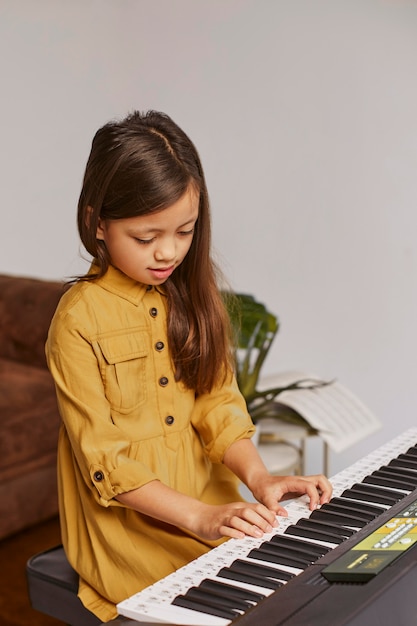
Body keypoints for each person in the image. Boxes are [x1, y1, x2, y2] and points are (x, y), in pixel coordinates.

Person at [46, 110, 332, 622]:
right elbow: (105, 460)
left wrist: (260, 478)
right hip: (132, 529)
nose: (169, 251)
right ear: (98, 223)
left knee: (310, 590)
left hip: (210, 504)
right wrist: (198, 518)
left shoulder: (193, 297)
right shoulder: (78, 319)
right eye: (146, 236)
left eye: (185, 231)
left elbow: (218, 403)